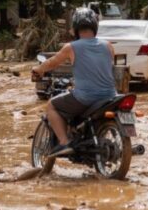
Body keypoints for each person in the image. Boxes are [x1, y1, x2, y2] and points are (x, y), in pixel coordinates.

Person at [31, 8, 118, 157]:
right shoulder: (108, 45)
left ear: (76, 28)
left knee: (52, 105)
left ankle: (65, 142)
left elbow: (53, 62)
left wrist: (38, 69)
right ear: (95, 27)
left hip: (86, 97)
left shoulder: (71, 47)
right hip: (110, 96)